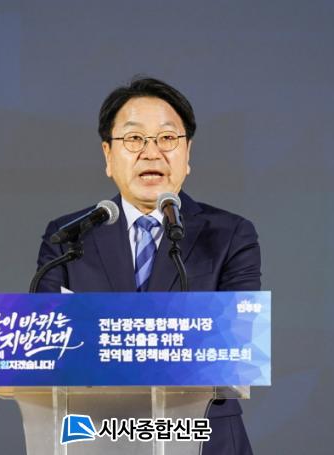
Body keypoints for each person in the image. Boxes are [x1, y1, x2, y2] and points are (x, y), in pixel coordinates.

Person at [36, 77, 261, 454]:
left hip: (204, 439)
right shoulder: (68, 236)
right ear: (108, 156)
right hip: (99, 439)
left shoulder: (230, 234)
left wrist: (109, 340)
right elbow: (48, 348)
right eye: (134, 139)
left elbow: (236, 345)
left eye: (167, 138)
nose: (151, 152)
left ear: (188, 153)